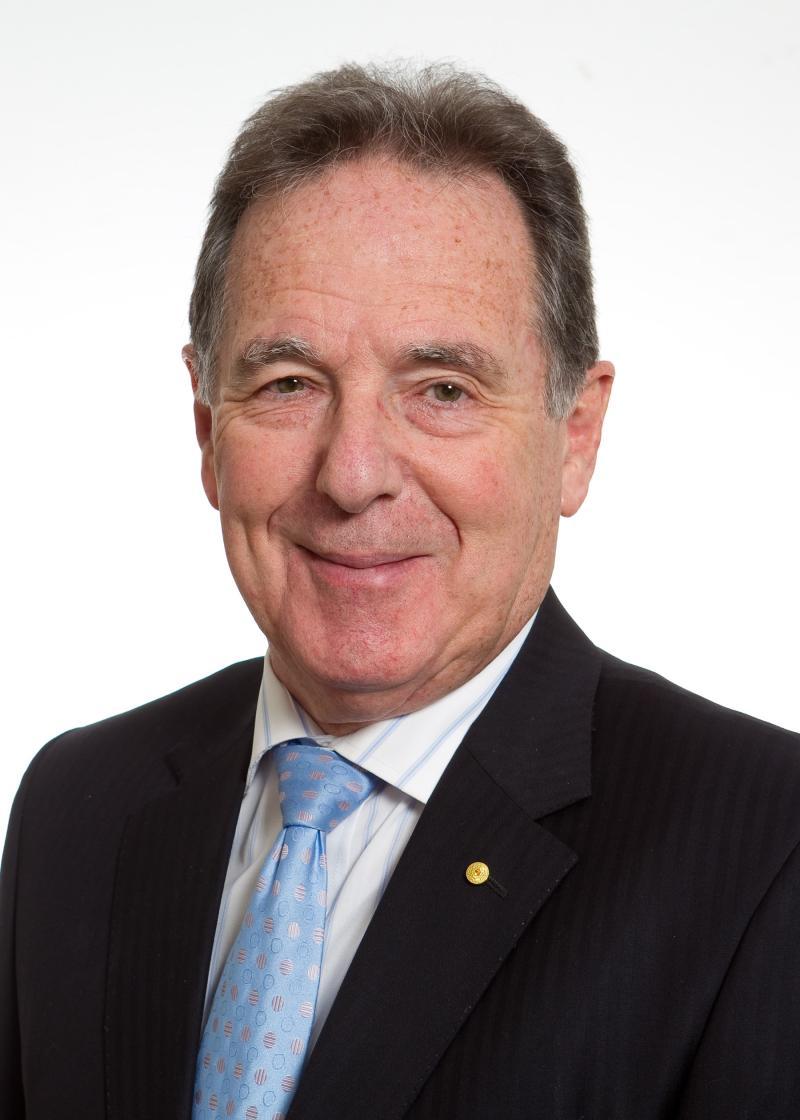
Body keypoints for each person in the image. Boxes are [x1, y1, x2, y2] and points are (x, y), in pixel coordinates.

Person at [2, 62, 799, 1120]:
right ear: (206, 426)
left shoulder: (763, 850)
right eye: (287, 384)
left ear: (574, 434)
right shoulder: (76, 806)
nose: (351, 472)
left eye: (441, 389)